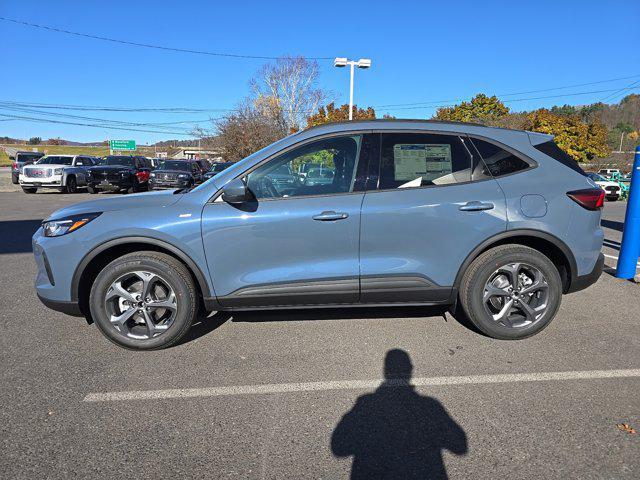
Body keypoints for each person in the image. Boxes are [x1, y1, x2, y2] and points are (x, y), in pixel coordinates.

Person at [331, 349, 468, 479]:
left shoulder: (364, 402)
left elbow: (339, 448)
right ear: (411, 369)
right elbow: (460, 447)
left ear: (385, 370)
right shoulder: (431, 405)